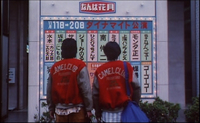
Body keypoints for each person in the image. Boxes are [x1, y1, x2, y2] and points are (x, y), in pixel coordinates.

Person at [92, 41, 141, 122]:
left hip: (106, 114)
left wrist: (97, 112)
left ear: (105, 53)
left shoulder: (99, 70)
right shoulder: (127, 66)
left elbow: (95, 94)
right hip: (126, 112)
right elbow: (136, 87)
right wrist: (135, 104)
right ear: (119, 52)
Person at [47, 38, 93, 122]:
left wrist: (51, 108)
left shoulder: (54, 68)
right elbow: (86, 89)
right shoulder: (80, 66)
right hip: (78, 110)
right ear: (75, 50)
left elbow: (49, 90)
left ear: (62, 50)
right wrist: (89, 108)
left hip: (59, 111)